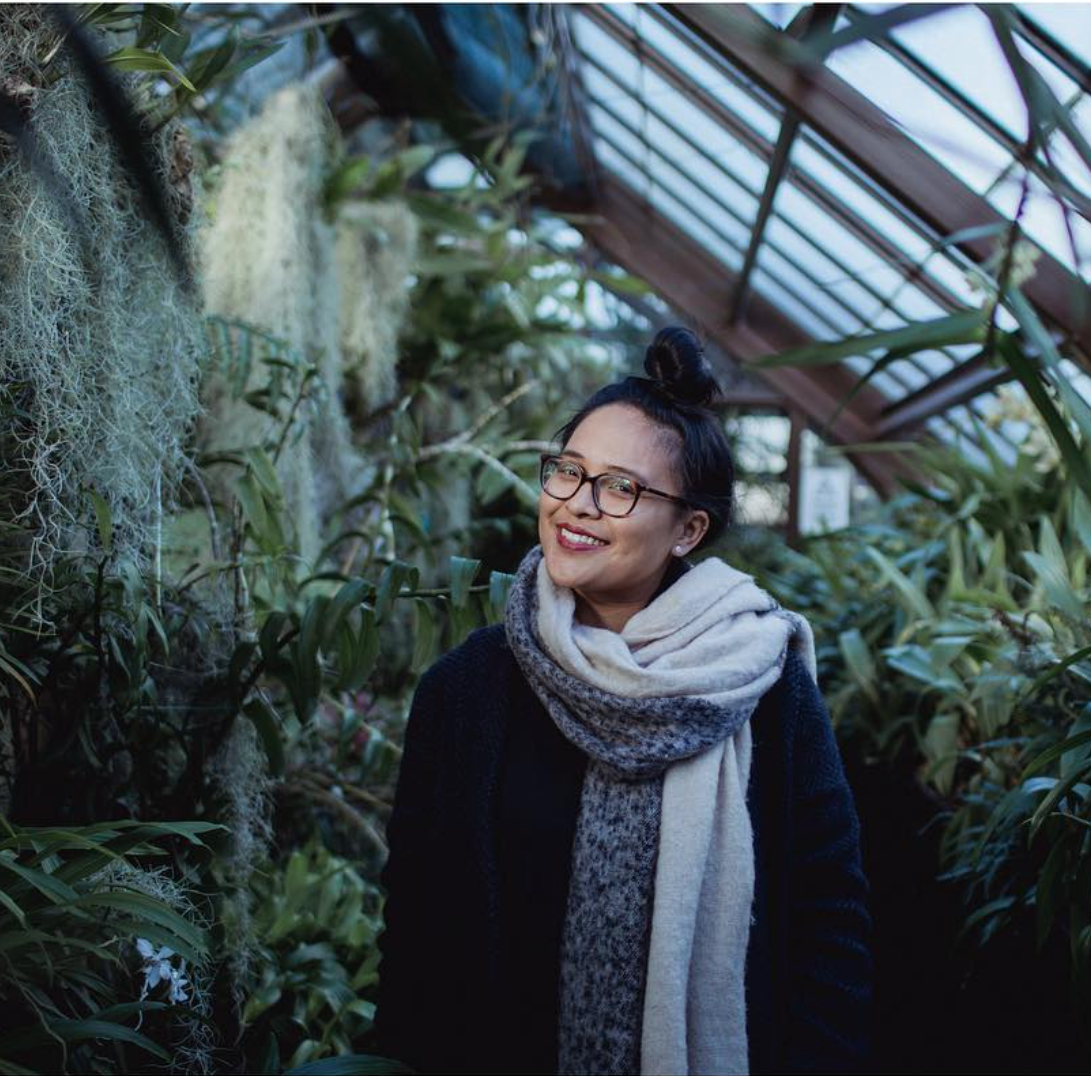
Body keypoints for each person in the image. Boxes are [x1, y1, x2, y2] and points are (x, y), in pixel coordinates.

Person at [370, 325, 872, 1075]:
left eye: (620, 488)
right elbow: (417, 927)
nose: (576, 505)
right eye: (566, 472)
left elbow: (827, 917)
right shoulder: (467, 689)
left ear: (688, 530)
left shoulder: (759, 684)